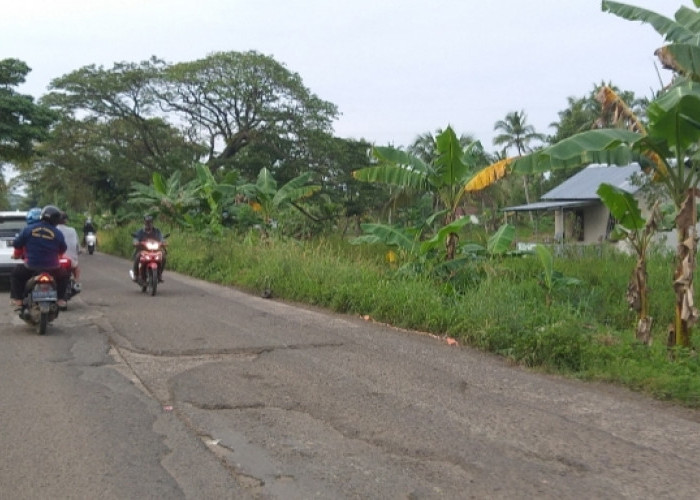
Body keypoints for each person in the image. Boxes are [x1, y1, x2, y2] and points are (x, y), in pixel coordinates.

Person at [10, 205, 69, 309]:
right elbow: (63, 249)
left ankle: (18, 300)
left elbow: (17, 243)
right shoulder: (58, 233)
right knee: (65, 275)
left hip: (31, 267)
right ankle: (60, 299)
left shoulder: (28, 229)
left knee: (15, 274)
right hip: (53, 267)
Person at [131, 214, 166, 282]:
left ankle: (159, 274)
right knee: (138, 257)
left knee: (163, 256)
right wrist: (136, 242)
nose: (148, 223)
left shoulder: (156, 231)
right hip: (142, 250)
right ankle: (136, 274)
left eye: (150, 222)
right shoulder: (140, 231)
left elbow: (161, 237)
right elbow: (136, 238)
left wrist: (163, 242)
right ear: (144, 222)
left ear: (152, 222)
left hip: (155, 250)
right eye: (147, 222)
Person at [57, 211, 81, 283]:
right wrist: (79, 250)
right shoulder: (72, 230)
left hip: (56, 259)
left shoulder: (54, 229)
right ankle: (76, 282)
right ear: (66, 220)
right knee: (76, 269)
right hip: (70, 261)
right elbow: (77, 245)